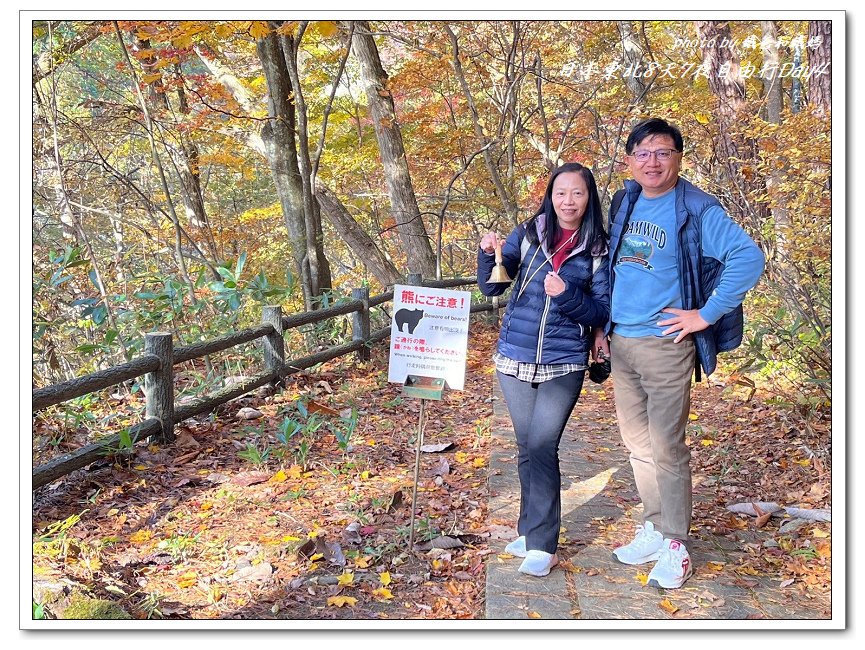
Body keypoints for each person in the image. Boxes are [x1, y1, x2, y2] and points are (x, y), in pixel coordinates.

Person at [594, 118, 765, 589]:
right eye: (643, 153)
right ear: (629, 160)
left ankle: (675, 544)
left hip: (667, 346)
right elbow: (616, 270)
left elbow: (748, 257)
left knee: (667, 448)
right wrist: (603, 327)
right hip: (622, 341)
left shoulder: (696, 209)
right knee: (638, 445)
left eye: (662, 152)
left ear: (678, 158)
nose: (652, 161)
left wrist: (704, 315)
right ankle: (653, 525)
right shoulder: (626, 199)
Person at [478, 162, 610, 577]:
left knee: (542, 444)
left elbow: (602, 311)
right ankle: (529, 529)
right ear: (550, 196)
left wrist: (568, 293)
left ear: (589, 199)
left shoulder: (598, 249)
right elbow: (494, 286)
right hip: (514, 355)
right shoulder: (529, 233)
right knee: (525, 447)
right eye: (560, 193)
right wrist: (488, 257)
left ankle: (544, 544)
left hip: (564, 360)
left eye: (577, 193)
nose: (568, 201)